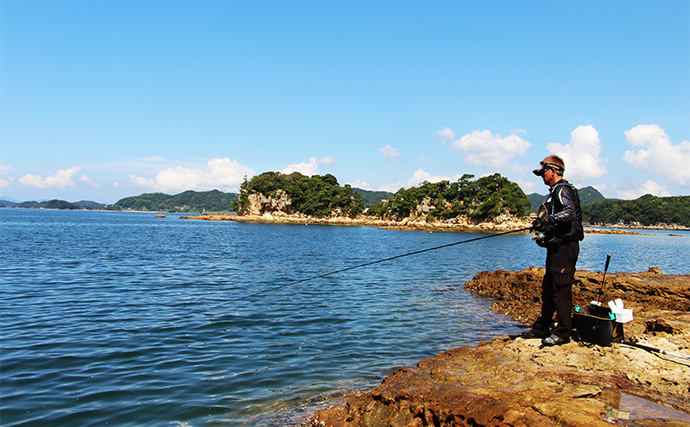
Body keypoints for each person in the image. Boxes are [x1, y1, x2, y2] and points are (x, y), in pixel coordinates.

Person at [522, 155, 584, 346]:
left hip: (566, 247)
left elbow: (569, 212)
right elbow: (557, 220)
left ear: (554, 171)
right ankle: (542, 326)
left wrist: (547, 220)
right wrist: (544, 230)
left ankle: (564, 333)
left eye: (543, 172)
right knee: (549, 287)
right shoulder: (554, 191)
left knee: (560, 289)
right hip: (557, 246)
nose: (542, 176)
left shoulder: (562, 189)